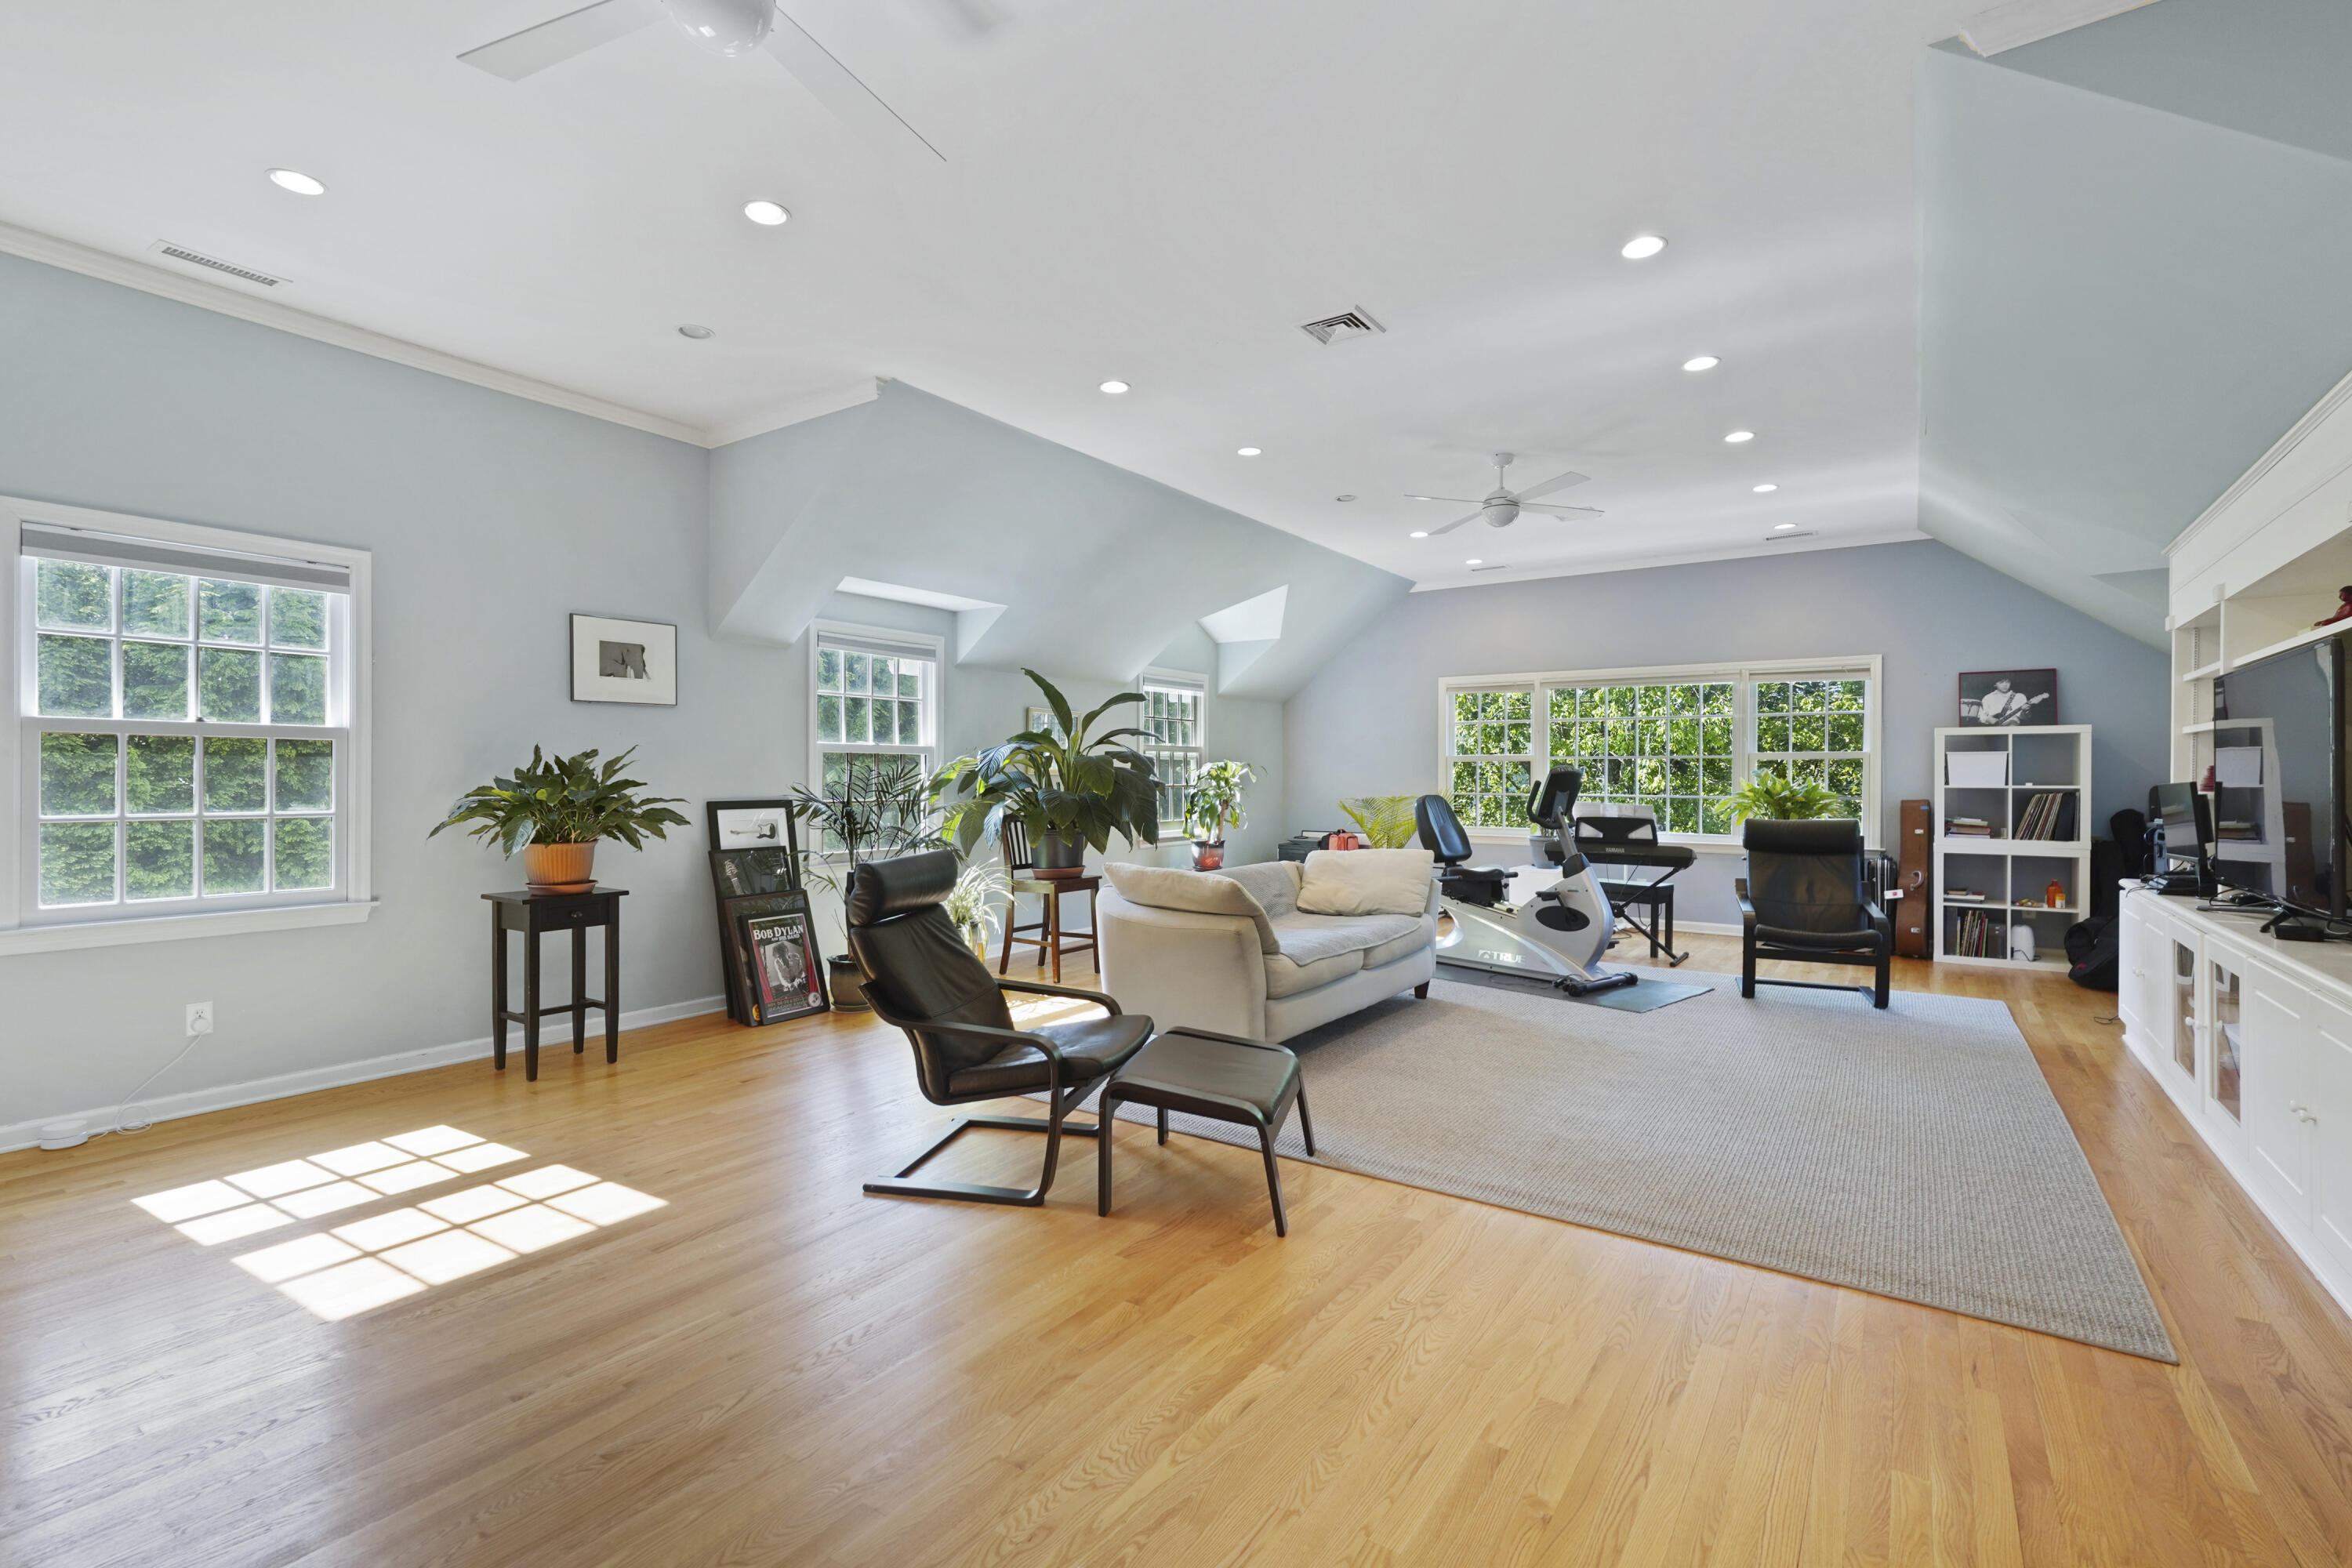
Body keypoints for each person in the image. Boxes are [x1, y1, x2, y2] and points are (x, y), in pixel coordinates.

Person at [1970, 677, 2050, 726]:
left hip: (2013, 730)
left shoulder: (2019, 696)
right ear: (1995, 684)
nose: (2005, 685)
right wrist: (1988, 719)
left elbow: (2024, 718)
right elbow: (1981, 715)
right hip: (1993, 733)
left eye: (2007, 682)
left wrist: (2026, 712)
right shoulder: (1988, 697)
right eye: (2001, 682)